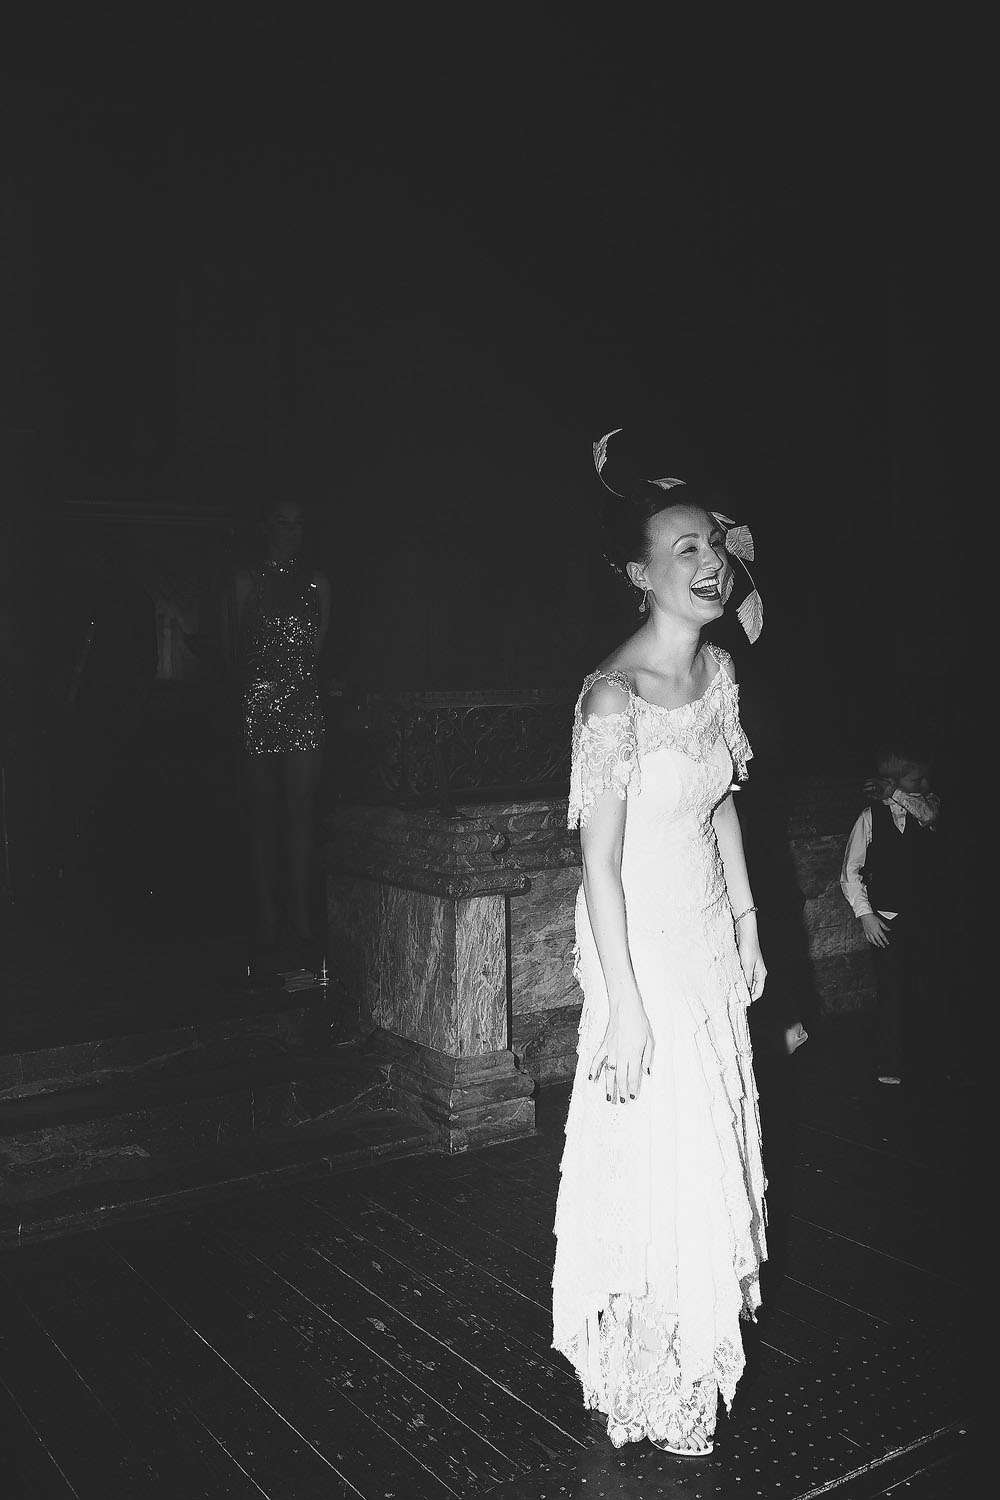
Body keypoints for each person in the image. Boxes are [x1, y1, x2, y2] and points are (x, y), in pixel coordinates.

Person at [551, 432, 768, 1457]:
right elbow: (598, 867)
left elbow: (721, 802)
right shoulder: (611, 696)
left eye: (711, 543)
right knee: (653, 1143)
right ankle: (642, 1375)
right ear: (640, 575)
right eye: (684, 548)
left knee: (708, 1134)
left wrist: (749, 924)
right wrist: (626, 1007)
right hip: (635, 944)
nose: (708, 559)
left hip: (706, 936)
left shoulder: (718, 672)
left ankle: (689, 1358)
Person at [232, 500, 330, 969]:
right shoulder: (245, 581)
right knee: (262, 815)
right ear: (265, 526)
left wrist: (296, 691)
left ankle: (301, 918)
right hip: (257, 702)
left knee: (301, 815)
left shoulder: (317, 584)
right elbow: (232, 649)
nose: (291, 532)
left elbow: (317, 651)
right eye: (282, 523)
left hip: (302, 702)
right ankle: (267, 918)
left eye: (299, 524)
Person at [839, 739, 940, 1085]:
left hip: (926, 915)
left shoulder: (927, 807)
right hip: (886, 920)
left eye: (925, 778)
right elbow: (850, 871)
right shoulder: (869, 817)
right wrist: (866, 915)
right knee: (892, 991)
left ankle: (926, 1058)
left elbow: (929, 815)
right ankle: (890, 1063)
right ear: (892, 781)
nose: (924, 785)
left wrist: (897, 793)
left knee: (924, 985)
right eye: (916, 779)